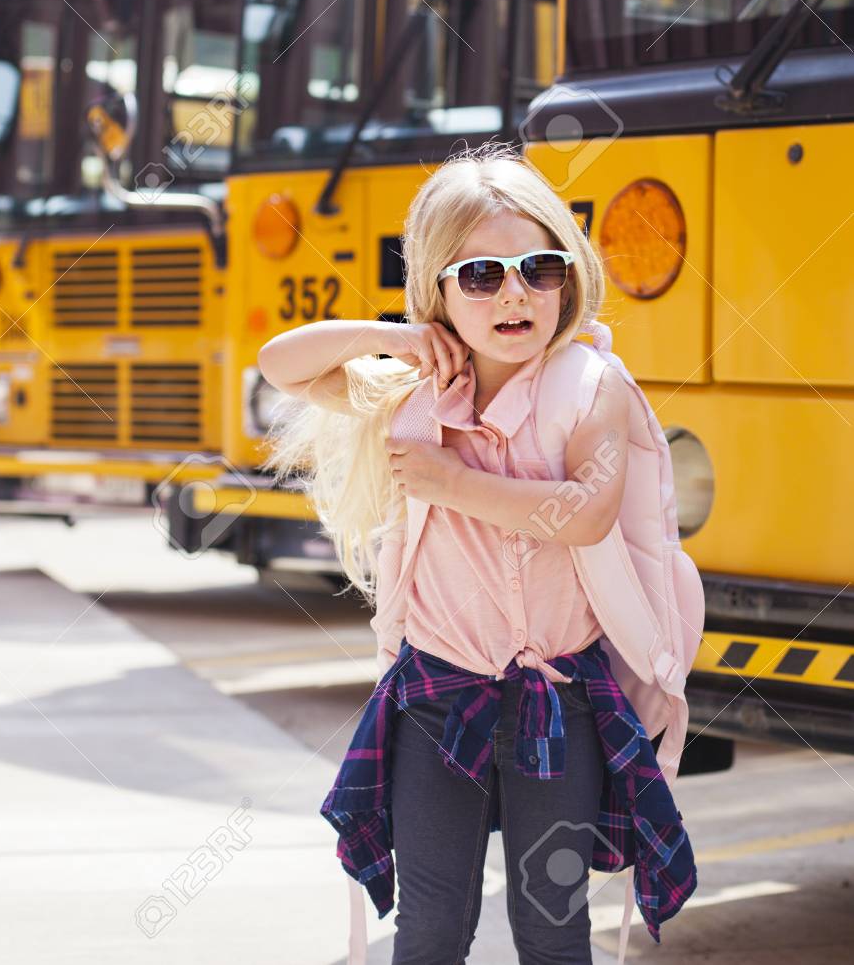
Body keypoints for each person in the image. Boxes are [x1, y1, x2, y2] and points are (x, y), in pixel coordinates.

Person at [256, 142, 697, 965]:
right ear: (437, 290)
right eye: (481, 275)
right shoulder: (413, 392)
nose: (514, 292)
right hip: (434, 696)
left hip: (555, 703)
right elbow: (278, 365)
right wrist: (395, 338)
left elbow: (585, 513)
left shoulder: (590, 388)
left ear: (568, 277)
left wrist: (449, 482)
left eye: (538, 267)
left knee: (550, 929)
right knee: (428, 929)